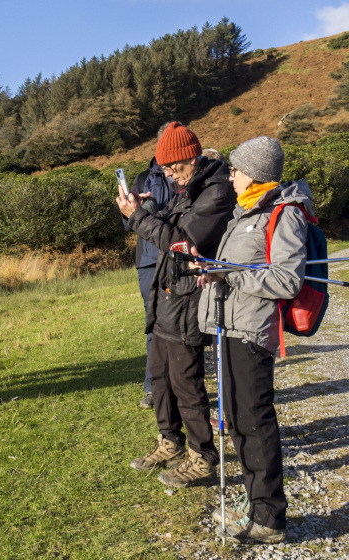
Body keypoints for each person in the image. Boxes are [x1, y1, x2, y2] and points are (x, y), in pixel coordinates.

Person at [197, 136, 309, 544]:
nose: (231, 175)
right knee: (238, 420)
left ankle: (269, 519)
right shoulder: (247, 211)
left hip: (252, 330)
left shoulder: (284, 214)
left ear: (256, 175)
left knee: (254, 421)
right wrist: (212, 268)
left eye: (236, 170)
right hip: (229, 326)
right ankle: (255, 502)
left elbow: (286, 278)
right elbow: (239, 266)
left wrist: (227, 274)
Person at [116, 122, 236, 488]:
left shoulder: (216, 192)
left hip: (190, 297)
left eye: (172, 168)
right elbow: (170, 220)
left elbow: (184, 241)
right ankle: (170, 442)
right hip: (168, 295)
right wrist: (144, 208)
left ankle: (203, 458)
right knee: (161, 376)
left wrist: (137, 218)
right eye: (165, 169)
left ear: (190, 157)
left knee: (186, 380)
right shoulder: (190, 187)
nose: (168, 174)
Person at [123, 123, 177, 410]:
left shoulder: (188, 173)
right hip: (149, 260)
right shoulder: (144, 177)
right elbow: (128, 223)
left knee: (182, 321)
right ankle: (153, 388)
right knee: (155, 322)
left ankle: (182, 382)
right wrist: (135, 210)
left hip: (180, 256)